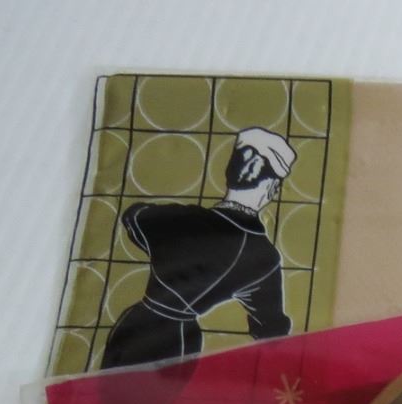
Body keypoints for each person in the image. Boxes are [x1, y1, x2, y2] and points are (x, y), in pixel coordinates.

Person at [101, 127, 298, 370]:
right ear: (272, 188)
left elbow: (133, 216)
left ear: (229, 172)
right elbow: (271, 328)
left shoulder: (182, 218)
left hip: (132, 324)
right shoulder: (263, 256)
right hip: (179, 341)